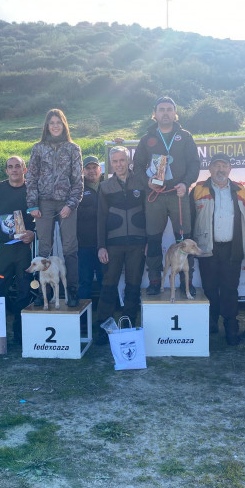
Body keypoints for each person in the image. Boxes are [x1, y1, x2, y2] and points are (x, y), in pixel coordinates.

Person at [132, 96, 200, 295]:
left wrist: (185, 183)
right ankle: (155, 281)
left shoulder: (185, 136)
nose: (165, 113)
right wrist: (148, 183)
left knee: (185, 239)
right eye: (161, 109)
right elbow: (136, 167)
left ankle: (186, 281)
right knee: (153, 239)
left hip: (178, 194)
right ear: (155, 114)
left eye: (169, 109)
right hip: (155, 196)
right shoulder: (147, 139)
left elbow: (195, 164)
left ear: (175, 113)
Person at [190, 152, 245, 344]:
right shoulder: (197, 189)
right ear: (209, 169)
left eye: (224, 166)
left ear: (230, 169)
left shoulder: (240, 190)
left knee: (229, 289)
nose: (220, 169)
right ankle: (211, 323)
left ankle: (230, 327)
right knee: (209, 287)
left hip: (232, 248)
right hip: (206, 248)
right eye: (216, 165)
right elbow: (188, 219)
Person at [26, 109, 83, 307]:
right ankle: (45, 293)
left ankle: (72, 291)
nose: (55, 125)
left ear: (64, 124)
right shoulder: (38, 148)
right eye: (51, 122)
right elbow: (31, 177)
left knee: (70, 248)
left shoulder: (73, 148)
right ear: (47, 126)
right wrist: (32, 204)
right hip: (44, 203)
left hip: (67, 202)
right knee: (44, 247)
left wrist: (71, 204)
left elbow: (78, 180)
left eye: (58, 122)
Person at [96, 146, 147, 344]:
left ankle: (128, 325)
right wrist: (101, 246)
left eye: (122, 160)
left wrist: (149, 241)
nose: (119, 164)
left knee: (133, 286)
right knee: (108, 286)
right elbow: (100, 218)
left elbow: (149, 213)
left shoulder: (141, 182)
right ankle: (103, 327)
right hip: (113, 245)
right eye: (115, 161)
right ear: (111, 164)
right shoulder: (105, 186)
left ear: (129, 161)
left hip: (137, 243)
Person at [0, 156, 35, 344]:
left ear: (24, 169)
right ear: (6, 170)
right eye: (10, 167)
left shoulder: (32, 189)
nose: (14, 170)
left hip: (24, 249)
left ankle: (21, 334)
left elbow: (42, 216)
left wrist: (33, 232)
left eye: (18, 166)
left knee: (24, 291)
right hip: (3, 249)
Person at [77, 155, 103, 305]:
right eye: (88, 168)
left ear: (100, 169)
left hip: (104, 244)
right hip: (84, 243)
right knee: (84, 281)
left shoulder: (108, 184)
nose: (92, 171)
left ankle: (104, 317)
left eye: (94, 167)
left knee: (104, 281)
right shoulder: (77, 188)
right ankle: (83, 321)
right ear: (83, 170)